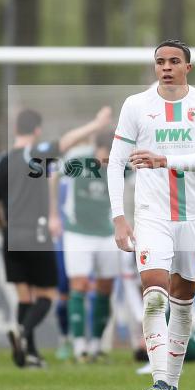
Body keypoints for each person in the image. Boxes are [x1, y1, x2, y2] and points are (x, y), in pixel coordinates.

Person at [108, 39, 195, 390]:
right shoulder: (136, 105)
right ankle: (160, 381)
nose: (167, 67)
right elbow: (114, 164)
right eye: (160, 61)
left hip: (194, 218)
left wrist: (163, 161)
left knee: (183, 304)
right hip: (152, 216)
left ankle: (172, 383)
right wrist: (119, 217)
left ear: (189, 67)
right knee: (155, 298)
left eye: (174, 61)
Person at [0, 106, 111, 368]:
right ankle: (22, 331)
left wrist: (3, 226)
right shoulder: (36, 154)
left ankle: (29, 353)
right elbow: (65, 142)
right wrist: (95, 125)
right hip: (36, 232)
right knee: (47, 295)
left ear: (15, 129)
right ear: (38, 130)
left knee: (24, 296)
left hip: (10, 233)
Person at [55, 130, 131, 362]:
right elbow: (51, 173)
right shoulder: (77, 160)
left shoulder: (123, 166)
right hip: (78, 234)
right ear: (94, 147)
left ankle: (96, 344)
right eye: (102, 153)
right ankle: (80, 346)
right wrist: (53, 214)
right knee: (78, 285)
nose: (104, 160)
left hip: (107, 234)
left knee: (105, 288)